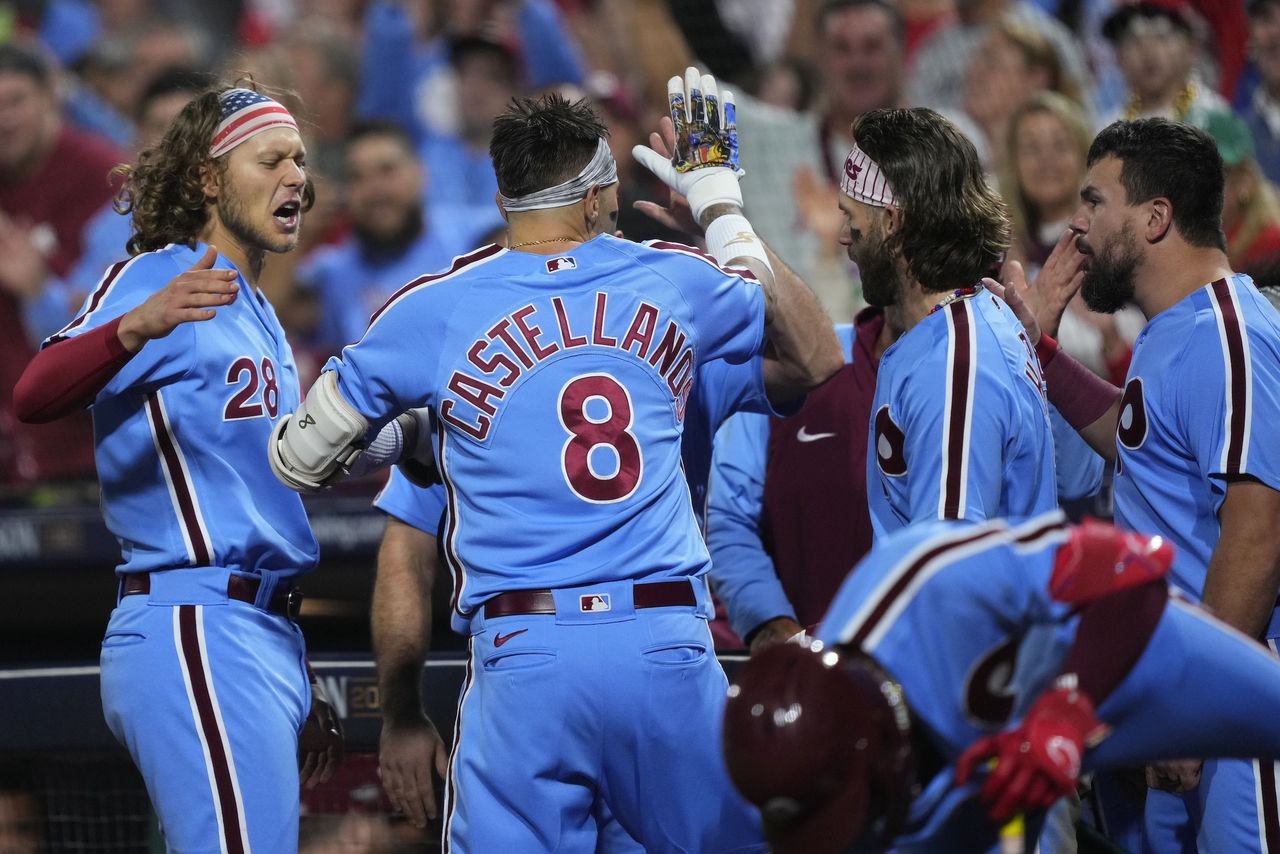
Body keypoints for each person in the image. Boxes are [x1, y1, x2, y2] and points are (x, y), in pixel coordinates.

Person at [270, 73, 842, 849]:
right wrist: (720, 206)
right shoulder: (672, 276)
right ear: (599, 192)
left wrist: (413, 433)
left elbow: (301, 459)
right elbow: (815, 356)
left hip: (527, 655)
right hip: (665, 642)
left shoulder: (431, 309)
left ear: (504, 200)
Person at [11, 83, 344, 851]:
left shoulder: (255, 309)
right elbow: (33, 393)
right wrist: (132, 327)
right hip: (195, 620)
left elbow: (258, 504)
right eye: (270, 160)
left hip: (255, 628)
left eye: (299, 159)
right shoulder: (159, 274)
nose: (296, 175)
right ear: (206, 179)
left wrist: (290, 673)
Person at [992, 117, 1280, 853]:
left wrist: (1201, 700)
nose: (1077, 224)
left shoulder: (1232, 336)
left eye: (1094, 202)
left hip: (1240, 711)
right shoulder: (1171, 329)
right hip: (1180, 695)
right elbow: (1141, 440)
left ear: (1155, 218)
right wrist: (1042, 350)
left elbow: (1260, 526)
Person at [722, 511, 1280, 852]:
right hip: (998, 760)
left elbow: (1130, 566)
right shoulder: (815, 766)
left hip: (1128, 661)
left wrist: (1065, 715)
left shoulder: (925, 587)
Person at [840, 107, 1060, 536]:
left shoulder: (954, 363)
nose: (845, 236)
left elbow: (951, 564)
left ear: (891, 222)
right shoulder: (963, 328)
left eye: (852, 217)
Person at [295, 120, 502, 355]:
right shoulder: (332, 272)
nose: (374, 190)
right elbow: (274, 312)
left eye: (387, 170)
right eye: (356, 177)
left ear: (420, 173)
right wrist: (300, 228)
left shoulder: (472, 237)